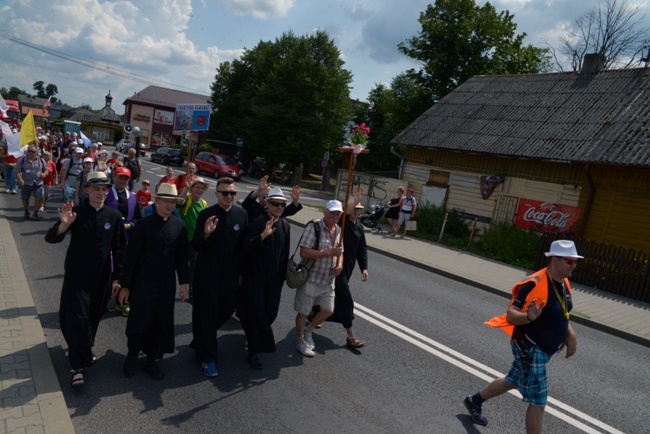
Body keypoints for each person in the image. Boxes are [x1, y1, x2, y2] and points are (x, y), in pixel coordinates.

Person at [464, 240, 581, 432]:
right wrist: (528, 316)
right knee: (539, 400)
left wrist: (570, 333)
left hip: (542, 348)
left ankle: (473, 401)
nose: (573, 265)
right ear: (554, 260)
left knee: (513, 380)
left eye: (575, 261)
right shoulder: (533, 284)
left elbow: (562, 312)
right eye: (569, 261)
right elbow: (511, 314)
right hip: (531, 347)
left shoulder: (563, 282)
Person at [45, 171, 125, 389]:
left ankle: (84, 347)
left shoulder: (114, 216)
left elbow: (119, 250)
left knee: (92, 316)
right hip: (77, 276)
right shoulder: (76, 213)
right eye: (96, 189)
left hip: (101, 278)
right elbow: (51, 237)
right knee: (77, 316)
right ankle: (77, 367)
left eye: (104, 189)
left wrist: (117, 278)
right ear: (86, 190)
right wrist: (63, 224)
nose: (101, 193)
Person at [119, 183, 189, 380]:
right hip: (142, 284)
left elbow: (182, 258)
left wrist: (184, 282)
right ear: (157, 201)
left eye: (173, 201)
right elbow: (130, 257)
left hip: (166, 286)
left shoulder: (179, 226)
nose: (169, 205)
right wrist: (125, 286)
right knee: (139, 322)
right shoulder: (143, 225)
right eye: (165, 201)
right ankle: (132, 355)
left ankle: (152, 360)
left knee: (160, 323)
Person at [191, 177, 248, 377]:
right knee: (206, 314)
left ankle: (201, 337)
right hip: (207, 275)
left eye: (233, 193)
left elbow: (243, 249)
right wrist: (206, 234)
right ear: (217, 194)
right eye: (225, 193)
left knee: (225, 310)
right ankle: (208, 358)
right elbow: (196, 244)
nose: (230, 197)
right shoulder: (206, 214)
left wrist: (241, 274)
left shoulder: (242, 215)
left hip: (231, 276)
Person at [240, 187, 291, 369]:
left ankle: (253, 336)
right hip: (256, 278)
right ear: (267, 204)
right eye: (275, 204)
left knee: (271, 313)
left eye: (282, 204)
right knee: (258, 314)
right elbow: (246, 248)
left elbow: (284, 253)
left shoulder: (285, 225)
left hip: (275, 280)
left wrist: (283, 277)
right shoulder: (257, 223)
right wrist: (263, 235)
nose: (279, 207)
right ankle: (253, 351)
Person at [311, 200, 369, 348]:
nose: (356, 212)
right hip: (335, 265)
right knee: (345, 299)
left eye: (359, 209)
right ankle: (351, 336)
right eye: (354, 208)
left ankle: (316, 315)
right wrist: (354, 199)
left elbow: (362, 249)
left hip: (347, 267)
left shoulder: (360, 227)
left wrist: (364, 268)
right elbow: (344, 213)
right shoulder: (343, 224)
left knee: (331, 294)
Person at [294, 200, 343, 358]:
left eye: (338, 213)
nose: (335, 216)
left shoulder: (340, 230)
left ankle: (309, 332)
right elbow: (304, 253)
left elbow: (340, 252)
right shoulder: (313, 227)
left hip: (328, 281)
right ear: (325, 211)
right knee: (304, 311)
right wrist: (328, 252)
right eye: (332, 212)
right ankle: (300, 340)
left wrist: (339, 265)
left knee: (328, 310)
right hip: (311, 278)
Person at [105, 166, 142, 316]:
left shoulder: (133, 198)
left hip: (126, 239)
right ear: (114, 177)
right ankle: (106, 298)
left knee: (125, 270)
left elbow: (139, 219)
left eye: (125, 179)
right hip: (107, 238)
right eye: (120, 177)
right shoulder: (105, 194)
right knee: (108, 270)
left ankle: (123, 301)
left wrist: (130, 225)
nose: (122, 181)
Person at [177, 177, 209, 303]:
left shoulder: (204, 204)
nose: (199, 190)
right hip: (182, 238)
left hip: (195, 241)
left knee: (194, 266)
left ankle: (191, 290)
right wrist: (186, 188)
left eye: (202, 188)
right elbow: (179, 202)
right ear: (192, 188)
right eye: (197, 187)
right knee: (177, 263)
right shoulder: (188, 199)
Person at [15, 144, 49, 220]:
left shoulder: (41, 160)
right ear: (27, 152)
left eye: (33, 152)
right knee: (25, 199)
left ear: (36, 152)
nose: (31, 153)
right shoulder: (22, 160)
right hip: (26, 183)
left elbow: (46, 170)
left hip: (38, 183)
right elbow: (17, 171)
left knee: (39, 197)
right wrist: (20, 179)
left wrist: (44, 174)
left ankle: (35, 212)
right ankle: (26, 210)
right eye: (29, 151)